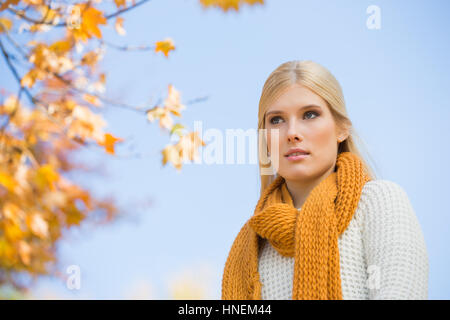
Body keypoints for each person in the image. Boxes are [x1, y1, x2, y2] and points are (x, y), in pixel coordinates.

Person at [221, 60, 429, 300]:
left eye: (310, 115)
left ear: (341, 129)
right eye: (277, 120)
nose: (292, 133)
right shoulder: (254, 242)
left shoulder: (378, 202)